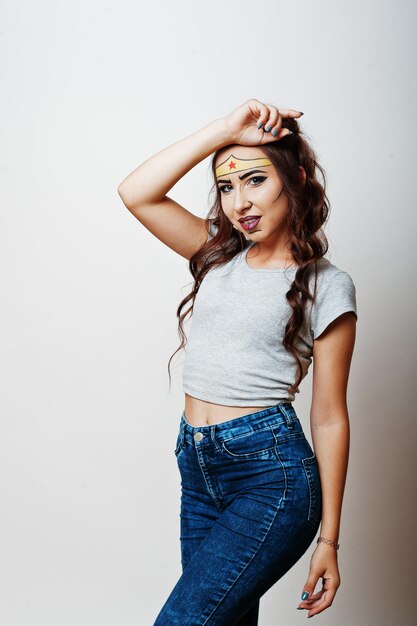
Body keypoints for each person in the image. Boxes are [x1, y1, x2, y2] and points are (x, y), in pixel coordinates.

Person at [117, 99, 358, 625]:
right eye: (227, 187)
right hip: (198, 468)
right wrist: (224, 130)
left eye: (255, 181)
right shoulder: (216, 255)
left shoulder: (326, 285)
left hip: (271, 478)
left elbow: (330, 415)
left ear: (294, 180)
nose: (239, 202)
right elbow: (136, 192)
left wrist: (330, 540)